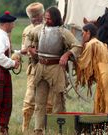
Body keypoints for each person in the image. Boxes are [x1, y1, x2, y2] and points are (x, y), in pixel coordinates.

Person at [26, 6, 82, 135]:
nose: (46, 20)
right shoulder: (39, 29)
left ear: (55, 18)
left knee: (58, 102)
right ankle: (38, 131)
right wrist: (30, 48)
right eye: (45, 18)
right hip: (40, 68)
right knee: (39, 103)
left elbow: (77, 46)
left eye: (49, 18)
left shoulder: (64, 32)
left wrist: (67, 55)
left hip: (56, 68)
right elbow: (29, 35)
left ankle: (59, 130)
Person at [77, 23, 108, 130]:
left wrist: (73, 58)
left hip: (105, 75)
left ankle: (104, 128)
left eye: (83, 33)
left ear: (88, 33)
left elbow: (83, 62)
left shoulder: (91, 44)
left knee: (104, 100)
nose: (82, 36)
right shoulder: (101, 43)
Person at [20, 2, 52, 133]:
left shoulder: (51, 27)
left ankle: (47, 128)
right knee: (30, 100)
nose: (37, 19)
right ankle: (25, 129)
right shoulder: (27, 30)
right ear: (30, 18)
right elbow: (24, 48)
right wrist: (28, 51)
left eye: (39, 16)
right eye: (34, 17)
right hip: (33, 68)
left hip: (50, 68)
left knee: (50, 102)